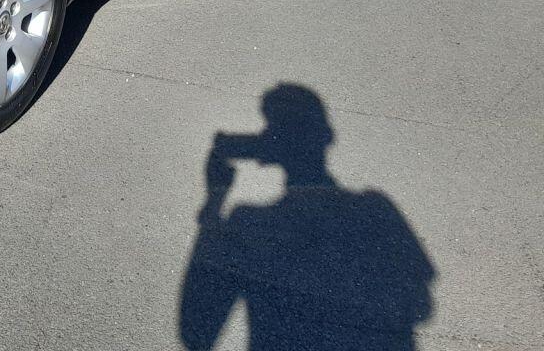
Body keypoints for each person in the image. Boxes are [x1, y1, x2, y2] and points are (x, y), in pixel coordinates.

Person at [179, 84, 435, 350]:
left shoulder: (251, 226)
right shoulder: (376, 212)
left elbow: (196, 333)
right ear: (327, 136)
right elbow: (421, 306)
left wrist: (214, 201)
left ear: (267, 148)